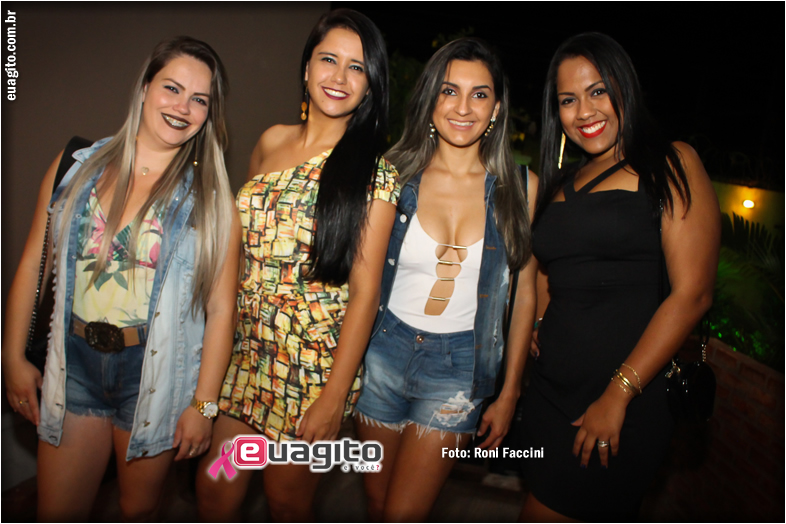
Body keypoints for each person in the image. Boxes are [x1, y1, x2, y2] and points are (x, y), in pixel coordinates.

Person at [1, 36, 240, 521]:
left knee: (137, 512)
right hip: (74, 364)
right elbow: (33, 266)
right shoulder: (74, 167)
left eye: (200, 99)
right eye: (172, 88)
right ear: (145, 88)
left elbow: (221, 311)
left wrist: (205, 407)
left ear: (209, 114)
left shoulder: (214, 204)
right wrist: (11, 354)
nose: (183, 107)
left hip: (151, 375)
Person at [196, 9, 399, 522]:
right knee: (214, 489)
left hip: (310, 370)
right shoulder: (270, 141)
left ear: (370, 85)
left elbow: (366, 294)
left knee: (286, 502)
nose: (339, 76)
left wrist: (333, 398)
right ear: (307, 67)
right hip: (244, 356)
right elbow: (239, 249)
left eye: (357, 67)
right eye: (329, 59)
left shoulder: (375, 174)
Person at [521, 32, 721, 521]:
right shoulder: (560, 182)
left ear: (624, 88)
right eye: (568, 99)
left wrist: (618, 393)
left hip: (622, 398)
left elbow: (693, 295)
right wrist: (539, 321)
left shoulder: (670, 163)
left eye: (598, 91)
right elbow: (549, 263)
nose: (584, 111)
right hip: (548, 393)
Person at [354, 38, 538, 522]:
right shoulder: (393, 175)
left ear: (496, 108)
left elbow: (524, 297)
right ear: (430, 98)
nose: (462, 107)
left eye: (479, 94)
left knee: (404, 513)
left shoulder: (521, 189)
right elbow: (361, 280)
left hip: (459, 372)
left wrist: (510, 390)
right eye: (449, 91)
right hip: (382, 352)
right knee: (377, 505)